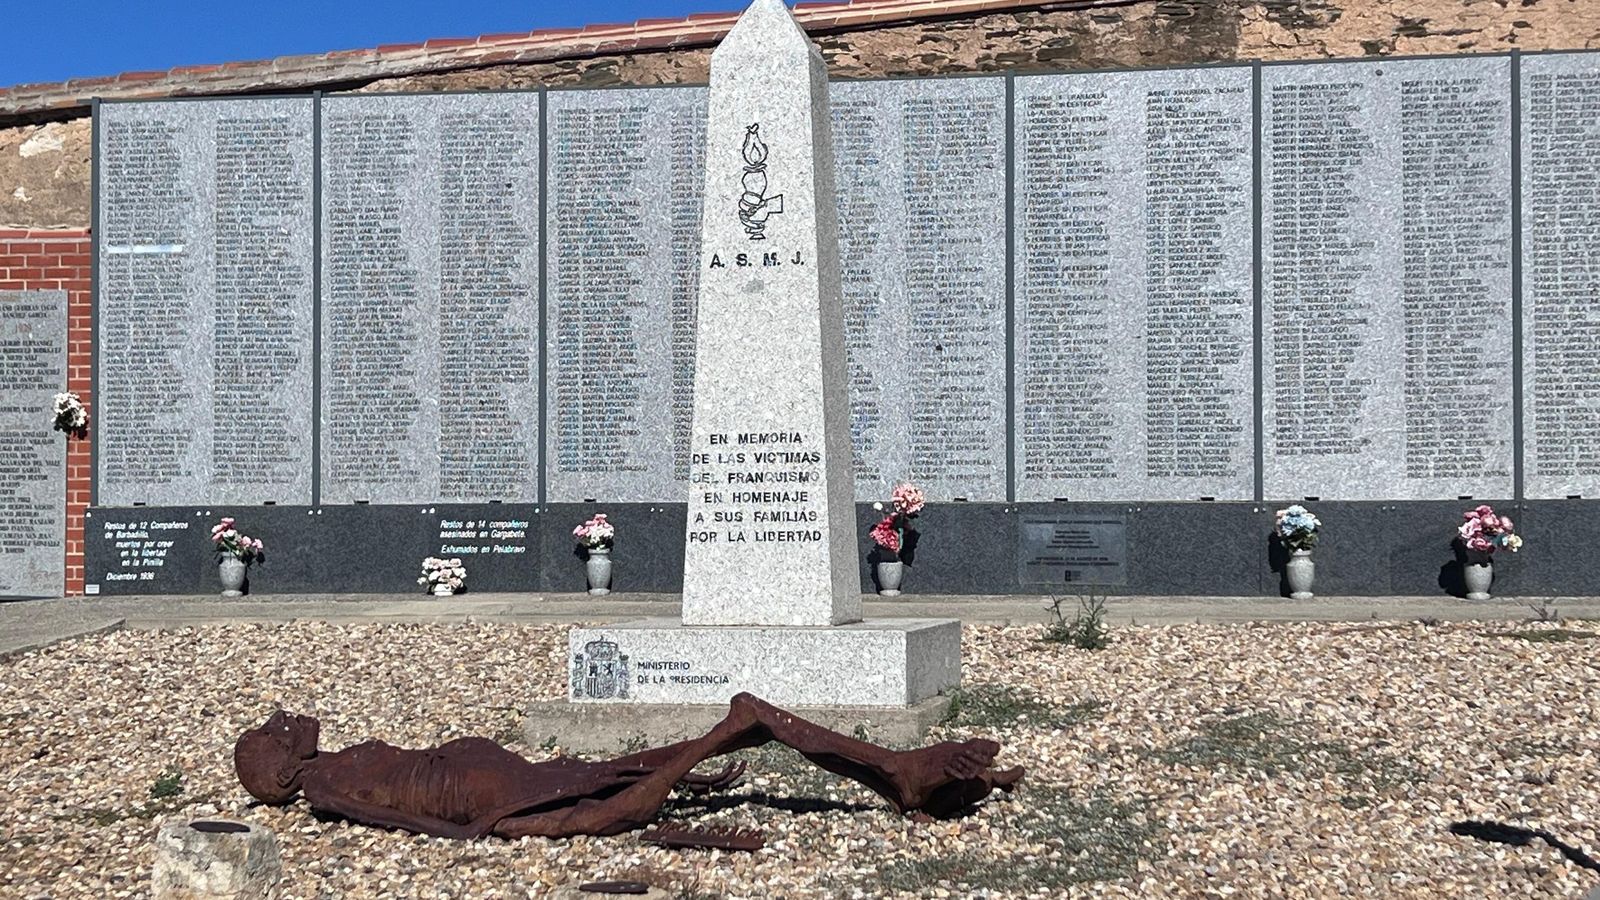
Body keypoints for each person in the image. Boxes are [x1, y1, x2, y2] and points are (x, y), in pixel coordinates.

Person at [235, 692, 1024, 839]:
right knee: (744, 721)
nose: (285, 721)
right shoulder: (327, 785)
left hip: (514, 777)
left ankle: (898, 774)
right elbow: (389, 812)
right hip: (497, 796)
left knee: (741, 730)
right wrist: (479, 833)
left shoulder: (331, 762)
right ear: (277, 772)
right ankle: (899, 774)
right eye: (274, 733)